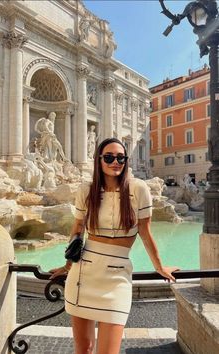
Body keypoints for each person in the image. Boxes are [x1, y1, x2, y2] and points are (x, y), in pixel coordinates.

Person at [50, 137, 179, 354]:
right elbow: (77, 230)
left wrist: (159, 266)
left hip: (117, 277)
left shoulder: (139, 189)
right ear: (99, 160)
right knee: (84, 348)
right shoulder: (87, 190)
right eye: (109, 157)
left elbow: (146, 234)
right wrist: (67, 266)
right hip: (84, 275)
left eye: (120, 157)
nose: (115, 162)